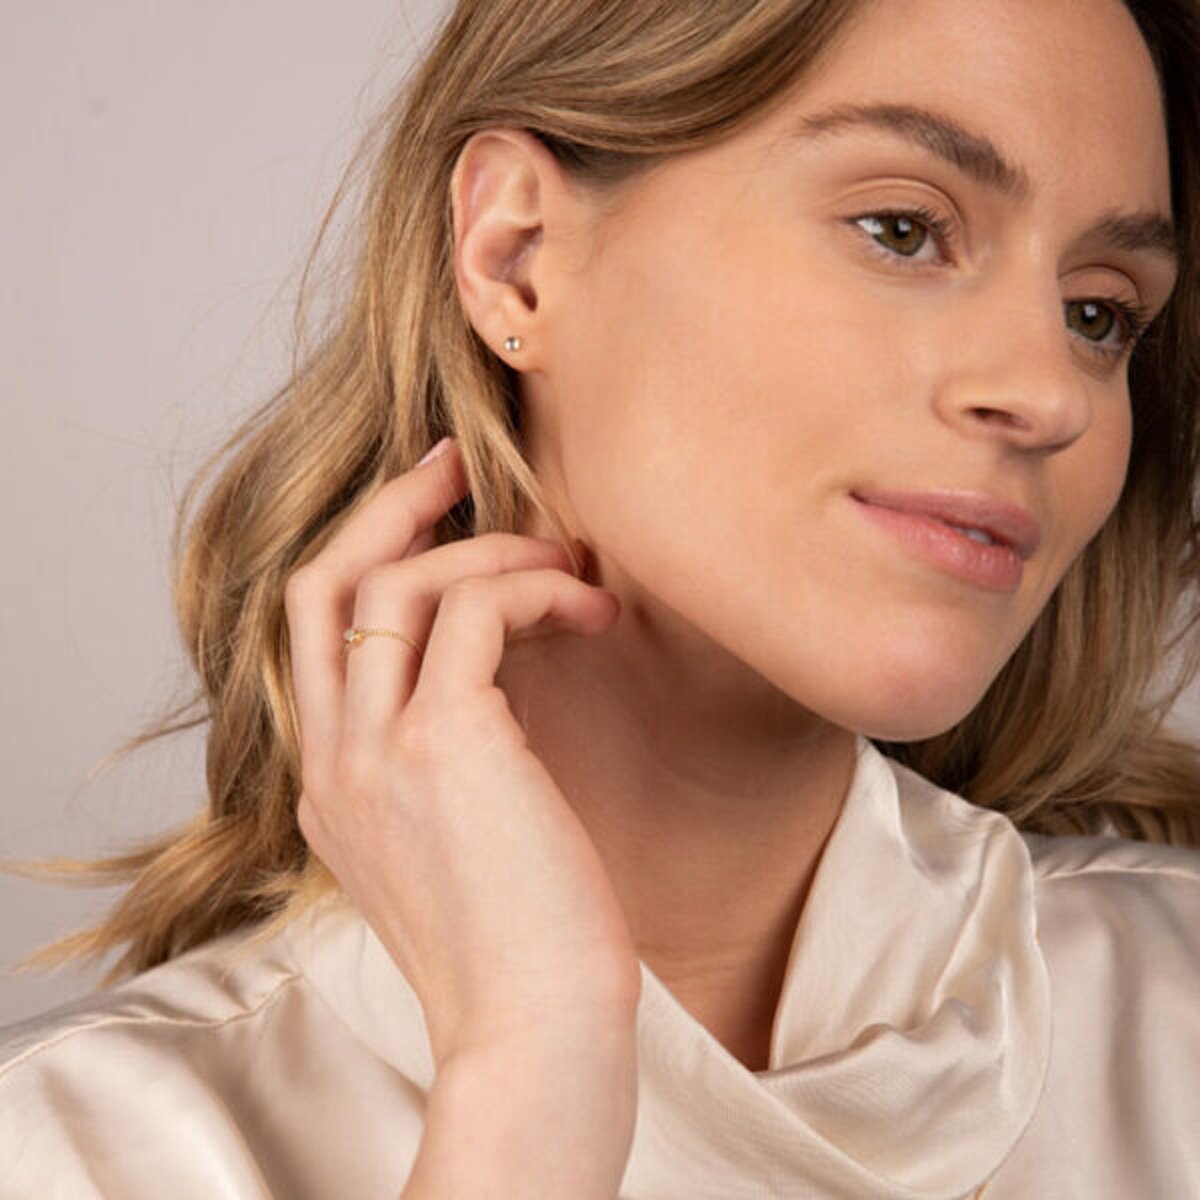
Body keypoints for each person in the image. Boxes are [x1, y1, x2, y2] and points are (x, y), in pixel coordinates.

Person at [2, 0, 1199, 1195]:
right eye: (902, 229)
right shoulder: (82, 1151)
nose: (1052, 395)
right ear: (517, 256)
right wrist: (530, 1072)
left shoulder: (1173, 1017)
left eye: (1098, 314)